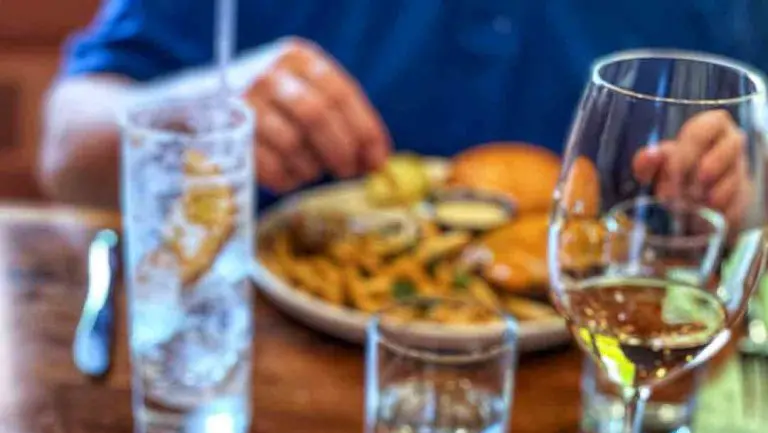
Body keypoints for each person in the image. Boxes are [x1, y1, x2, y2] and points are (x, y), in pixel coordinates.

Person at [39, 0, 767, 212]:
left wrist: (741, 186)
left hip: (610, 402)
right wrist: (201, 108)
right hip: (275, 389)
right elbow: (66, 151)